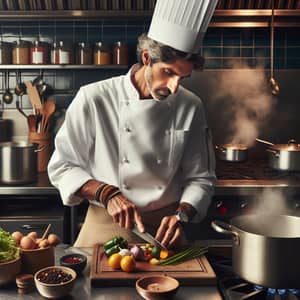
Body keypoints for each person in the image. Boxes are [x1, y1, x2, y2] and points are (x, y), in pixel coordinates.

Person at [48, 0, 218, 249]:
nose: (174, 88)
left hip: (165, 229)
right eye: (168, 73)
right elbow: (62, 166)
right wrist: (107, 193)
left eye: (183, 77)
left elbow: (201, 178)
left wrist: (182, 215)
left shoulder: (191, 105)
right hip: (106, 221)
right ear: (147, 58)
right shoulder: (95, 98)